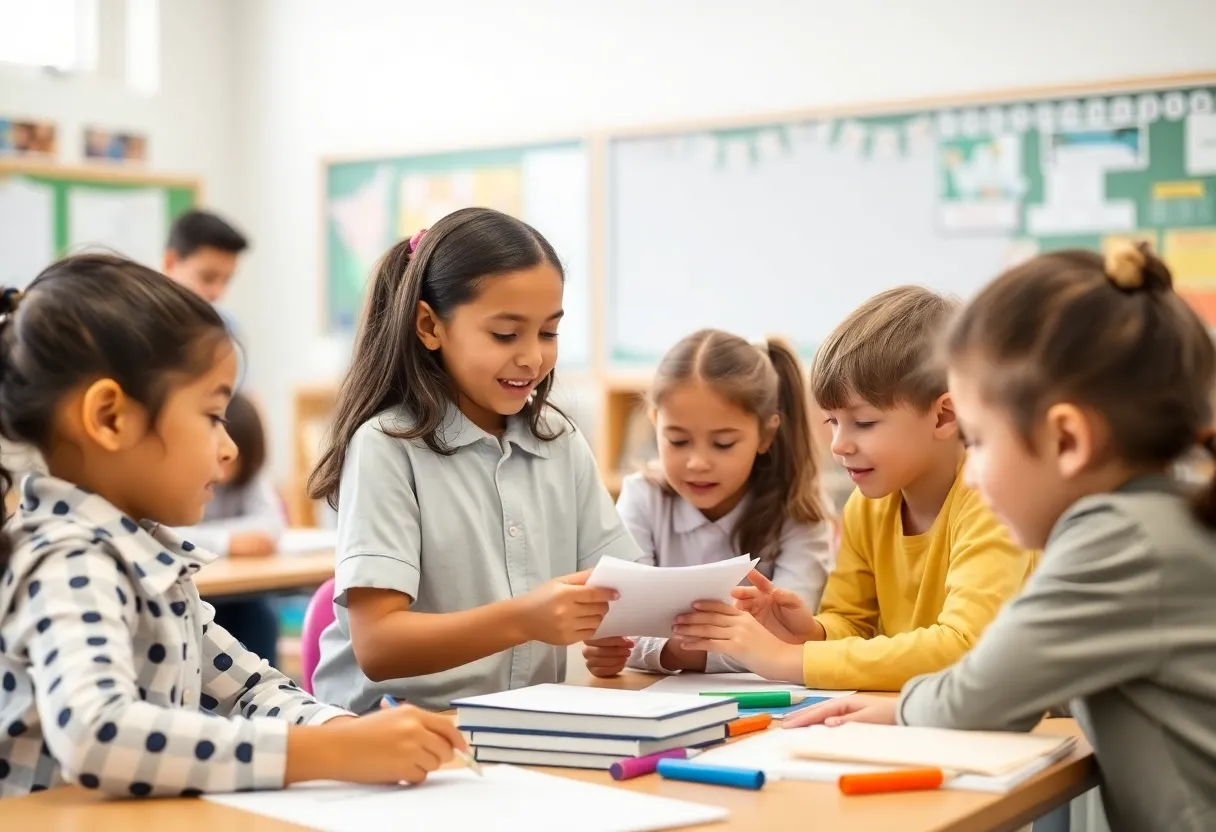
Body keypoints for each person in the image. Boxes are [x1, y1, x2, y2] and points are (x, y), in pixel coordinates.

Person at [785, 244, 1216, 832]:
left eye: (981, 440)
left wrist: (895, 709)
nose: (975, 470)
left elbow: (979, 697)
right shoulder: (1150, 524)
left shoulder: (1117, 544)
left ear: (1067, 441)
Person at [0, 255, 466, 798]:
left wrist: (350, 731)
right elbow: (97, 734)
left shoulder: (145, 557)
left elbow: (249, 688)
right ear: (110, 418)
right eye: (211, 416)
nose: (230, 448)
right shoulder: (67, 558)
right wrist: (332, 752)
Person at [308, 208, 642, 713]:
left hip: (519, 726)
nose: (532, 357)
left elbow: (621, 582)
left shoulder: (559, 441)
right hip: (392, 732)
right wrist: (526, 619)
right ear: (429, 326)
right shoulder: (386, 445)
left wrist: (622, 626)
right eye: (506, 335)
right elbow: (379, 646)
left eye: (548, 333)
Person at [664, 286, 1036, 690]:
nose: (840, 444)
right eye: (833, 422)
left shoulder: (994, 502)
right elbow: (852, 622)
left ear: (944, 415)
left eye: (864, 423)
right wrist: (811, 632)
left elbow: (964, 647)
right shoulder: (867, 506)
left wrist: (790, 658)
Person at [582, 329, 834, 678]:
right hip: (652, 700)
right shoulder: (642, 497)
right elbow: (619, 629)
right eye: (678, 440)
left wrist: (668, 650)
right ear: (656, 423)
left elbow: (793, 637)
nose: (698, 462)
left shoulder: (800, 512)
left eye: (723, 444)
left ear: (765, 435)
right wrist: (621, 651)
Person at [173, 392, 284, 664]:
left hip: (238, 597)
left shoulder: (249, 480)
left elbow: (272, 524)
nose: (228, 453)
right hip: (193, 589)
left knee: (259, 615)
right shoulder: (180, 478)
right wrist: (228, 541)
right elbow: (165, 531)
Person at [163, 210, 249, 305]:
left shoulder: (225, 319)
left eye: (225, 281)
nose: (217, 293)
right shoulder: (145, 316)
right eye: (207, 278)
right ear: (170, 263)